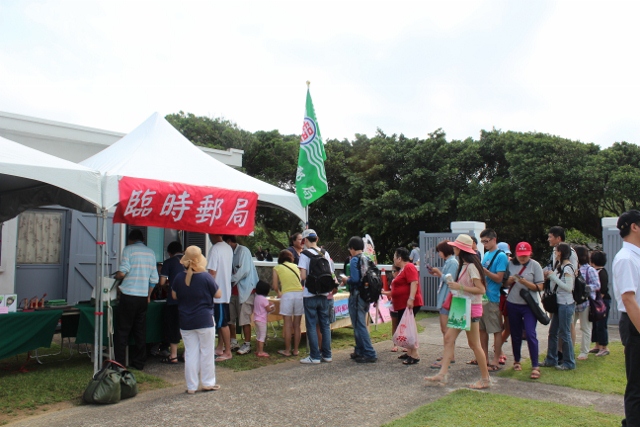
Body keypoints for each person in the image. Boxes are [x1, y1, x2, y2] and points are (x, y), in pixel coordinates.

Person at [425, 234, 490, 389]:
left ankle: (485, 379)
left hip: (469, 307)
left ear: (460, 249)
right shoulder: (466, 265)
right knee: (449, 338)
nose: (453, 248)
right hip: (461, 305)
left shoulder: (471, 267)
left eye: (455, 246)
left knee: (474, 344)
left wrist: (459, 287)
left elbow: (480, 289)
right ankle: (442, 374)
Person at [171, 246, 221, 394]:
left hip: (186, 321)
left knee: (190, 353)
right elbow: (218, 294)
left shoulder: (179, 277)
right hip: (204, 319)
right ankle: (207, 382)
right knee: (206, 352)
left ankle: (191, 386)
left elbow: (174, 296)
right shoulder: (205, 277)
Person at [114, 229, 159, 370]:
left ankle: (120, 363)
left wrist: (116, 277)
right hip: (142, 298)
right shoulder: (151, 253)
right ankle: (139, 362)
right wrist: (148, 295)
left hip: (128, 296)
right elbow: (154, 279)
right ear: (143, 240)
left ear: (130, 240)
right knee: (140, 332)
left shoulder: (128, 250)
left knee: (122, 331)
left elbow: (123, 271)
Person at [613, 210, 640, 426]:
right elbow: (629, 299)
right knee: (637, 385)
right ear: (634, 227)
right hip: (634, 323)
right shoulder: (626, 258)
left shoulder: (635, 256)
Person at [504, 241, 544, 379]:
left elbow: (540, 286)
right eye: (520, 255)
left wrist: (525, 282)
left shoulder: (535, 265)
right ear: (516, 254)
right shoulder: (510, 264)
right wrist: (510, 281)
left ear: (530, 254)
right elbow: (503, 283)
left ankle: (535, 365)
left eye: (525, 256)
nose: (522, 258)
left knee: (530, 333)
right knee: (515, 334)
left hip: (529, 305)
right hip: (513, 303)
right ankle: (517, 360)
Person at [298, 229, 335, 364]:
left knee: (312, 325)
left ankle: (314, 356)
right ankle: (327, 354)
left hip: (310, 294)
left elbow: (302, 276)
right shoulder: (325, 253)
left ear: (306, 240)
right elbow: (331, 274)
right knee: (325, 325)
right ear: (317, 239)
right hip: (325, 294)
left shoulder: (304, 255)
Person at [342, 236, 377, 363]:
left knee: (359, 324)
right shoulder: (367, 258)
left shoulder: (354, 260)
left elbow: (355, 280)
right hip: (366, 295)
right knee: (360, 324)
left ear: (352, 248)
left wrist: (347, 280)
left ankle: (369, 352)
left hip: (357, 295)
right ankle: (359, 350)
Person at [541, 242, 576, 370]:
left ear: (560, 252)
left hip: (566, 304)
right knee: (553, 332)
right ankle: (551, 359)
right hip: (559, 303)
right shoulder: (560, 266)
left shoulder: (567, 268)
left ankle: (569, 362)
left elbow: (568, 287)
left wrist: (553, 277)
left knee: (564, 333)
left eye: (556, 251)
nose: (554, 253)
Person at [223, 235, 259, 356]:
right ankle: (233, 341)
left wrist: (229, 279)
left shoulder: (243, 251)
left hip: (246, 290)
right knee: (230, 319)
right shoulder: (228, 253)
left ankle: (247, 344)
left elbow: (244, 271)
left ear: (229, 241)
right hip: (231, 291)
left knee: (244, 319)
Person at [478, 229, 508, 372]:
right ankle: (484, 359)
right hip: (482, 297)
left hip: (493, 298)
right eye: (482, 242)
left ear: (493, 239)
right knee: (482, 329)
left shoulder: (500, 256)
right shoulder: (486, 254)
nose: (484, 244)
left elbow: (499, 278)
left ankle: (496, 359)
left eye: (486, 241)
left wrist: (485, 272)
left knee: (496, 329)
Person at [427, 240, 459, 369]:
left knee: (446, 330)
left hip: (447, 299)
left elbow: (449, 279)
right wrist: (438, 274)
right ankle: (449, 354)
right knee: (446, 330)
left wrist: (439, 273)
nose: (439, 254)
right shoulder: (451, 262)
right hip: (446, 298)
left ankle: (448, 356)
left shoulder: (452, 262)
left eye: (439, 251)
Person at [391, 247, 423, 365]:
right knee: (405, 327)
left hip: (408, 304)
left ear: (399, 258)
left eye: (395, 257)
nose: (394, 259)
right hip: (402, 304)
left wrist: (411, 298)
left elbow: (413, 282)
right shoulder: (403, 269)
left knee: (408, 329)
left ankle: (414, 354)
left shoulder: (409, 267)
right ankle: (409, 352)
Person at [207, 234, 234, 361]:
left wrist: (207, 288)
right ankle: (220, 347)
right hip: (225, 290)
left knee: (222, 323)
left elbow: (212, 272)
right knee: (221, 321)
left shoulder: (215, 249)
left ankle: (227, 351)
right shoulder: (228, 248)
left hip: (217, 292)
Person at [272, 249, 304, 357]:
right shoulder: (296, 267)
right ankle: (295, 350)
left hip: (287, 296)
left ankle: (287, 350)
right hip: (299, 295)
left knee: (287, 324)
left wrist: (279, 293)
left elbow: (275, 286)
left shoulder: (277, 268)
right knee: (297, 325)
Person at [158, 241, 185, 364]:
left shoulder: (169, 262)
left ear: (169, 253)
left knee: (173, 326)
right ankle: (186, 354)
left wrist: (165, 287)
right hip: (189, 300)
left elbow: (162, 282)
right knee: (187, 327)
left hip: (173, 300)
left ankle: (173, 355)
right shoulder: (189, 262)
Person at [574, 245, 600, 360]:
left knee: (585, 328)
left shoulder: (590, 269)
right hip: (573, 302)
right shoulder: (572, 268)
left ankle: (584, 351)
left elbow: (597, 285)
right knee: (570, 327)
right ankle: (569, 350)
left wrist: (583, 287)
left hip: (586, 302)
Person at [589, 250, 611, 356]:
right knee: (595, 324)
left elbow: (603, 290)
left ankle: (604, 347)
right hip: (595, 302)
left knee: (601, 324)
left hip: (602, 302)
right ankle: (597, 345)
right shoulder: (593, 271)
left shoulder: (602, 272)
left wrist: (597, 301)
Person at [253, 280, 275, 357]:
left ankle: (257, 350)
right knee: (262, 336)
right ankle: (261, 352)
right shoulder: (264, 299)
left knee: (258, 335)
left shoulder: (256, 298)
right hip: (262, 320)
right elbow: (268, 309)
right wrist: (272, 307)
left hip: (256, 319)